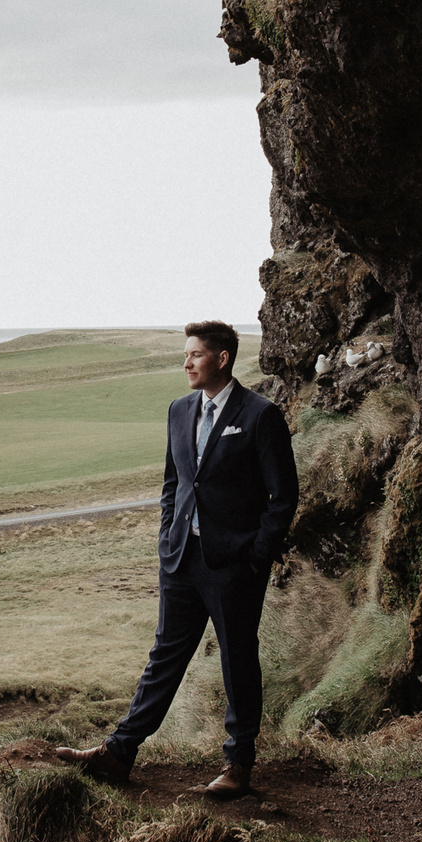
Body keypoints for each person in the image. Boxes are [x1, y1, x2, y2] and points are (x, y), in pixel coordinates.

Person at [60, 319, 298, 797]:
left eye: (195, 355)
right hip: (181, 560)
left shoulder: (260, 415)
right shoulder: (179, 410)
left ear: (222, 359)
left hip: (233, 566)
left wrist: (256, 555)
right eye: (185, 354)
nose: (186, 362)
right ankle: (118, 754)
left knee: (237, 660)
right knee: (164, 657)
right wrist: (169, 532)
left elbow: (284, 496)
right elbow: (175, 482)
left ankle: (239, 766)